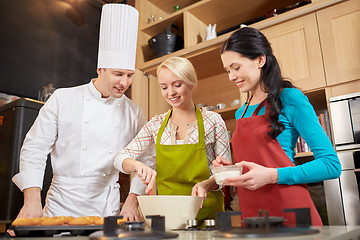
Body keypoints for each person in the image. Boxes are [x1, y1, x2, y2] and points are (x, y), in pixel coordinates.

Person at [12, 3, 155, 219]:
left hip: (107, 208)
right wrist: (32, 201)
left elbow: (147, 159)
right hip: (60, 206)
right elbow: (35, 148)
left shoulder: (134, 112)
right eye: (118, 74)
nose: (124, 82)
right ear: (100, 69)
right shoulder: (63, 99)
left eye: (129, 75)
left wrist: (133, 201)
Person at [213, 27, 342, 226]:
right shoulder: (241, 113)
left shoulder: (290, 99)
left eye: (236, 67)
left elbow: (331, 165)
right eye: (227, 70)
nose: (231, 76)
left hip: (291, 212)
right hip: (253, 216)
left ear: (260, 60)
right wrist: (230, 169)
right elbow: (253, 166)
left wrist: (272, 175)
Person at [114, 56, 231, 224]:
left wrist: (207, 184)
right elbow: (120, 159)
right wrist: (138, 165)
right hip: (168, 217)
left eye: (177, 85)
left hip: (208, 214)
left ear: (191, 83)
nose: (170, 93)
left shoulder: (213, 121)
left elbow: (226, 173)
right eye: (164, 87)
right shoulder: (156, 125)